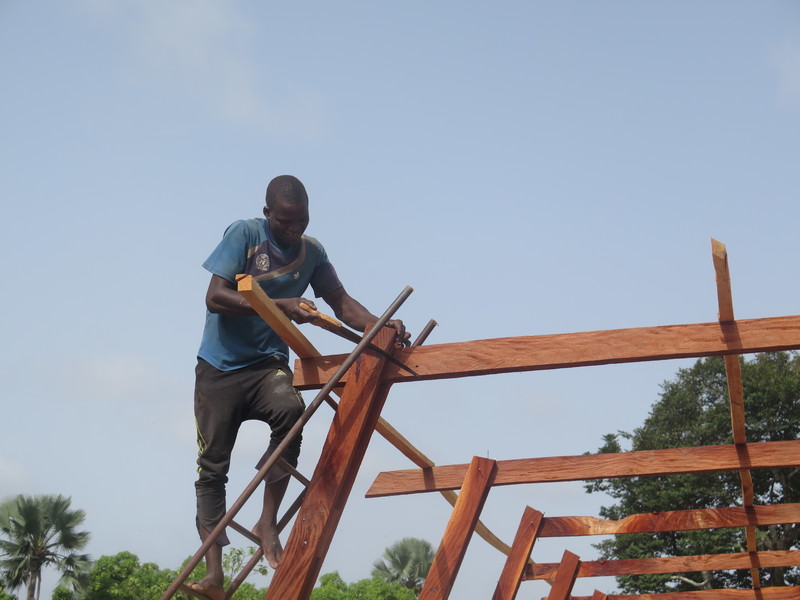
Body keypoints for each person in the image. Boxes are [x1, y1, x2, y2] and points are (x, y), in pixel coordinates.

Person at [187, 175, 410, 600]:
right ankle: (213, 573)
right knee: (212, 467)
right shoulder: (245, 234)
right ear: (268, 213)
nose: (294, 231)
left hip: (267, 365)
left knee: (290, 413)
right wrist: (280, 306)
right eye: (285, 223)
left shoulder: (314, 252)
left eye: (301, 222)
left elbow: (342, 304)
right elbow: (215, 296)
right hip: (217, 368)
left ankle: (266, 521)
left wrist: (381, 325)